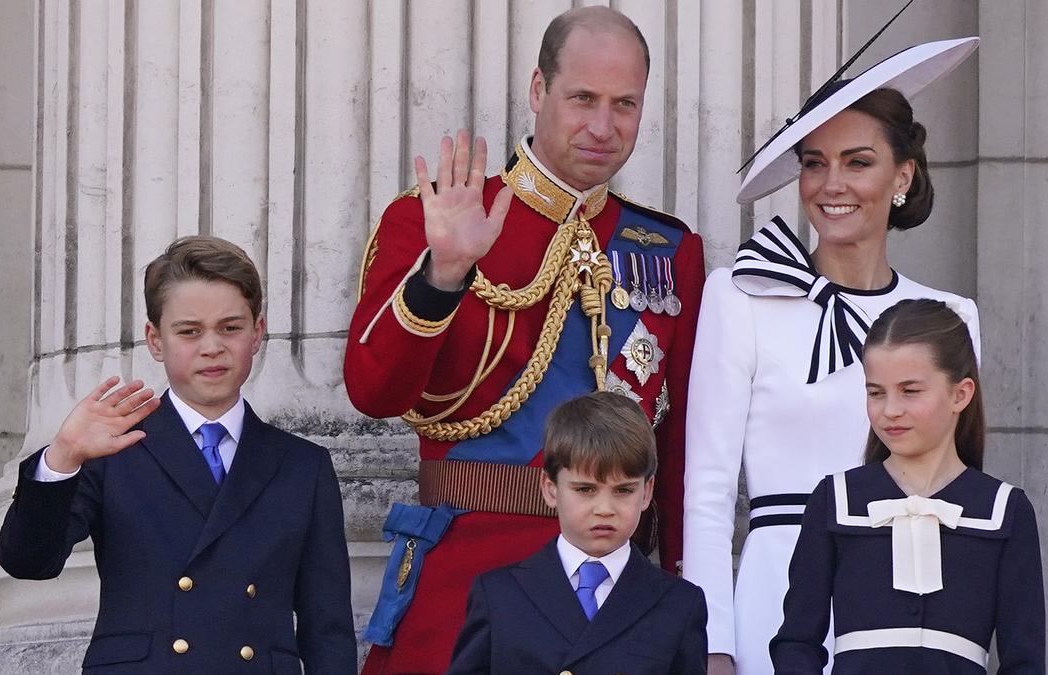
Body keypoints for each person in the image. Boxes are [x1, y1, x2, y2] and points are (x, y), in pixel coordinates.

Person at [346, 6, 705, 672]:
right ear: (539, 91)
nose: (604, 126)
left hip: (613, 597)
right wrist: (445, 271)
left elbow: (682, 447)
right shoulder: (436, 216)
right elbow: (373, 389)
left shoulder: (668, 250)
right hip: (463, 584)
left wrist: (686, 593)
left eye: (625, 103)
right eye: (583, 99)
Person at [682, 37, 983, 675]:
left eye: (858, 161)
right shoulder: (740, 296)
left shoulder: (952, 319)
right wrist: (713, 645)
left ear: (902, 175)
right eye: (815, 163)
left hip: (911, 600)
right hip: (776, 599)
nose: (831, 184)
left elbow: (962, 496)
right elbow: (706, 493)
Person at [0, 236, 355, 673]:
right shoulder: (112, 449)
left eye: (230, 327)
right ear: (155, 340)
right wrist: (63, 455)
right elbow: (28, 562)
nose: (211, 347)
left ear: (257, 332)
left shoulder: (303, 466)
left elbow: (327, 629)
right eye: (189, 331)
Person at [771, 298, 1045, 672]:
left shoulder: (1004, 510)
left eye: (910, 391)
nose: (890, 410)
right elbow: (796, 642)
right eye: (875, 392)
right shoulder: (834, 501)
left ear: (960, 394)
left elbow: (1024, 661)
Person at [447, 392, 707, 674]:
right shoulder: (498, 595)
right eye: (585, 490)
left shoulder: (680, 604)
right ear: (550, 489)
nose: (605, 509)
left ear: (646, 492)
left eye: (623, 490)